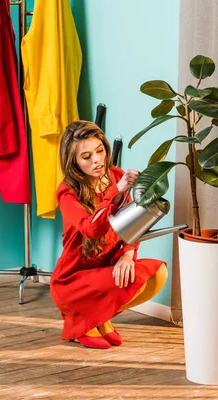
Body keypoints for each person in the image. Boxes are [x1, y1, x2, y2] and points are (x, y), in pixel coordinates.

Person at [50, 120, 168, 349]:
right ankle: (81, 320)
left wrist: (127, 254)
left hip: (105, 270)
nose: (97, 160)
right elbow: (91, 229)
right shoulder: (67, 193)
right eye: (86, 156)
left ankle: (99, 317)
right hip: (73, 280)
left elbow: (133, 224)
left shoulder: (116, 176)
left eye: (100, 151)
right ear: (73, 161)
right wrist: (115, 192)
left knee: (158, 273)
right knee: (142, 276)